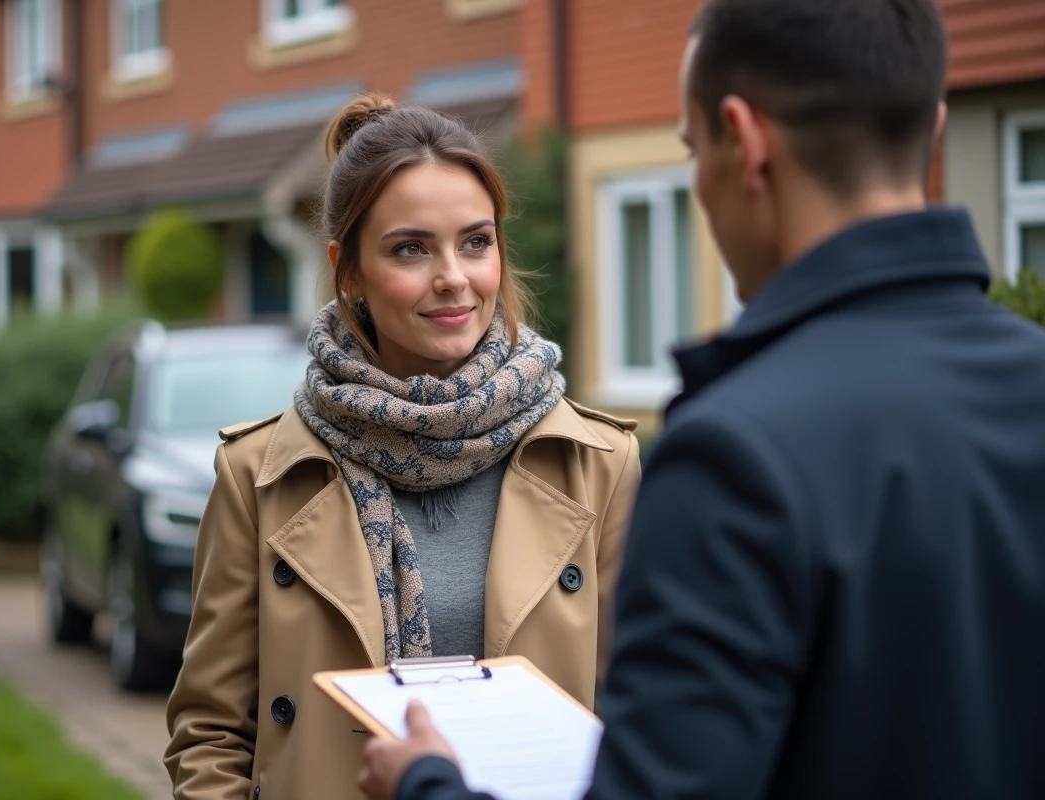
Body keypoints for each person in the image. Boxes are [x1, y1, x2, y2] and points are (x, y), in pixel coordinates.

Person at [358, 0, 1045, 798]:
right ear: (931, 128)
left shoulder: (740, 453)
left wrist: (427, 786)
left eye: (690, 150)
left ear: (743, 143)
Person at [164, 94, 642, 800]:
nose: (453, 276)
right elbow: (210, 731)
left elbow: (637, 714)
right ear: (348, 269)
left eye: (476, 241)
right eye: (411, 248)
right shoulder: (259, 475)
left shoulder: (597, 463)